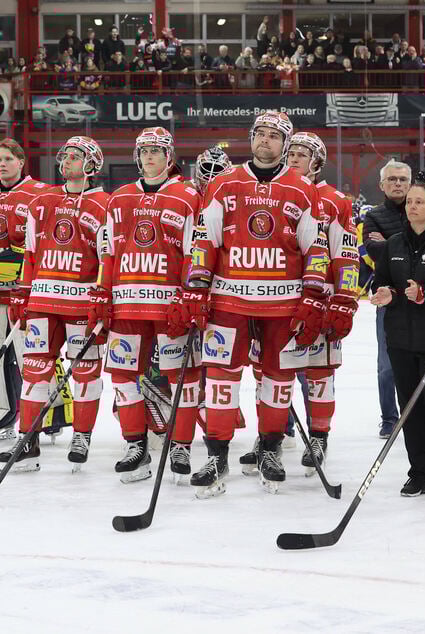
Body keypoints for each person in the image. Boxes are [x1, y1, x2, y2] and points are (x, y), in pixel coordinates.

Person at [176, 111, 328, 496]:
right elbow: (205, 240)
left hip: (283, 304)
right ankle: (217, 455)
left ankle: (271, 449)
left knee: (278, 380)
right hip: (229, 300)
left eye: (274, 136)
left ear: (285, 144)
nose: (265, 141)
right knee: (223, 379)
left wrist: (312, 296)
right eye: (259, 134)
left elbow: (316, 247)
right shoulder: (225, 183)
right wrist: (196, 286)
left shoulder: (302, 188)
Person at [87, 127, 201, 483]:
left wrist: (191, 295)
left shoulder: (187, 196)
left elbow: (193, 253)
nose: (149, 157)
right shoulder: (118, 198)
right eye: (144, 151)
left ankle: (181, 444)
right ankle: (135, 444)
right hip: (126, 304)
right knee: (122, 375)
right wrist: (102, 294)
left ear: (169, 157)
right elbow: (108, 252)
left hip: (169, 307)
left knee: (182, 376)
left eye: (156, 151)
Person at [6, 137, 108, 472]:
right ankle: (27, 439)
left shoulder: (103, 205)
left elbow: (108, 258)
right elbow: (31, 253)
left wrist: (102, 296)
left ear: (92, 164)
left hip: (81, 305)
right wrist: (22, 292)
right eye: (65, 156)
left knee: (85, 372)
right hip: (43, 302)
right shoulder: (43, 200)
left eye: (75, 157)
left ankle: (82, 435)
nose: (66, 161)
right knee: (34, 371)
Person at [370, 181, 425, 501]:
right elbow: (380, 282)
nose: (412, 206)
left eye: (420, 202)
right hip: (399, 338)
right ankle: (418, 473)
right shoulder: (394, 243)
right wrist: (386, 294)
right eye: (409, 202)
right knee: (410, 409)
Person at [285, 131, 360, 475]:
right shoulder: (278, 191)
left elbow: (346, 256)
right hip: (279, 298)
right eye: (291, 152)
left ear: (317, 161)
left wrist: (343, 300)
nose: (295, 158)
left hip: (321, 298)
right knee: (270, 372)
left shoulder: (335, 200)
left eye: (302, 154)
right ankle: (273, 434)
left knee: (318, 374)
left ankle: (319, 435)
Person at [0, 139, 49, 445]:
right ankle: (0, 416)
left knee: (33, 358)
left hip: (27, 291)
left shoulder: (40, 193)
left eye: (8, 159)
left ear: (21, 162)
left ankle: (46, 418)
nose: (2, 164)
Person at [362, 160, 411, 438]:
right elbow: (375, 251)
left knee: (419, 360)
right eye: (392, 179)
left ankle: (413, 413)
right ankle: (390, 418)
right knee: (387, 364)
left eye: (403, 180)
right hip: (386, 298)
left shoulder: (424, 209)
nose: (397, 184)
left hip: (420, 299)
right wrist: (408, 245)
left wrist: (390, 243)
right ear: (382, 185)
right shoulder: (374, 216)